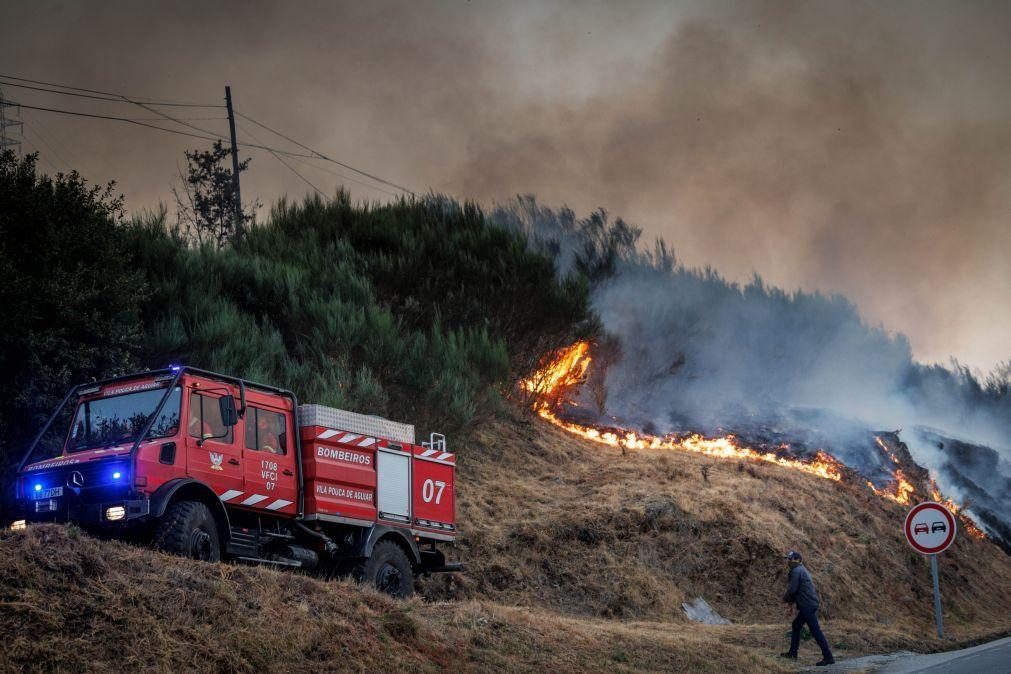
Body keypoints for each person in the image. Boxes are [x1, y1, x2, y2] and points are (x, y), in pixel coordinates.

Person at [780, 550, 835, 666]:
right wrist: (790, 605)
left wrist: (785, 600)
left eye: (791, 559)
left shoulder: (796, 571)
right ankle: (792, 653)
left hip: (807, 605)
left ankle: (828, 657)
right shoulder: (801, 570)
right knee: (796, 625)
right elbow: (795, 590)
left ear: (799, 560)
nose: (789, 561)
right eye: (788, 559)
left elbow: (792, 589)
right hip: (809, 604)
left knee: (815, 631)